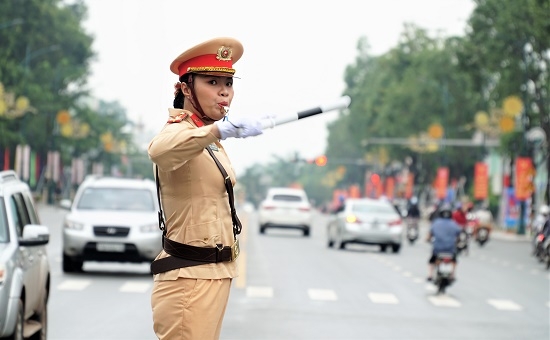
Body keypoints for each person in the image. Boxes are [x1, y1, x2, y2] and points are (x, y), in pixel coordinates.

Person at [147, 37, 265, 340]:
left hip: (213, 274)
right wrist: (218, 129)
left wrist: (214, 132)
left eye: (228, 82)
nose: (224, 90)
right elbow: (159, 150)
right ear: (186, 88)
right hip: (188, 277)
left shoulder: (205, 136)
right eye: (212, 81)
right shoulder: (181, 133)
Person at [426, 203, 462, 281]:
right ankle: (452, 274)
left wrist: (428, 240)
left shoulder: (436, 223)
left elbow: (429, 235)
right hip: (450, 249)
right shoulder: (454, 224)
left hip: (438, 249)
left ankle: (430, 275)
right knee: (454, 260)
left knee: (432, 260)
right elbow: (459, 236)